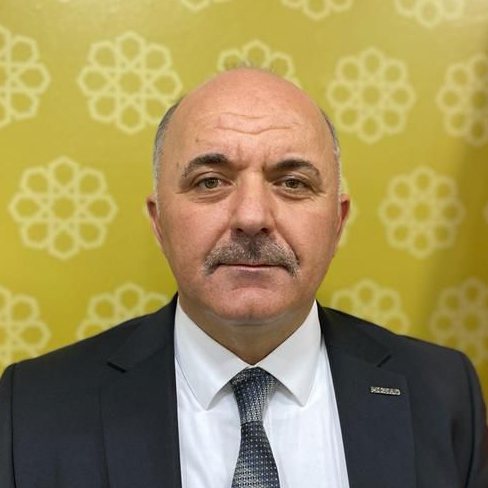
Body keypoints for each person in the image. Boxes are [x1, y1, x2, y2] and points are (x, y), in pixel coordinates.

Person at [0, 67, 487, 488]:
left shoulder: (444, 393)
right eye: (210, 181)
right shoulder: (32, 408)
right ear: (159, 222)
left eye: (292, 183)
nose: (252, 217)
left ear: (337, 223)